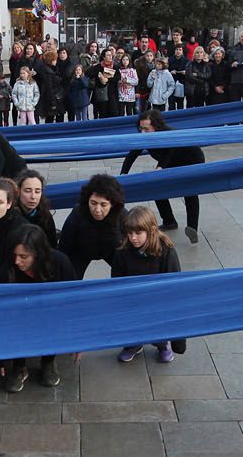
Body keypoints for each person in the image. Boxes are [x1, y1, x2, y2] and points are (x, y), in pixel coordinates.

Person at [2, 224, 75, 392]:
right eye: (15, 255)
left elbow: (73, 298)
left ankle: (48, 361)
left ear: (37, 254)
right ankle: (19, 366)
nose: (17, 261)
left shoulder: (60, 263)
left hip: (51, 315)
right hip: (20, 316)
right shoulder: (8, 269)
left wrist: (77, 336)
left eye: (23, 256)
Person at [110, 206, 182, 364]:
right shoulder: (123, 252)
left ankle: (163, 344)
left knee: (159, 318)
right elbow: (117, 280)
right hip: (133, 297)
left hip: (158, 297)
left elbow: (174, 282)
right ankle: (133, 344)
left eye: (138, 233)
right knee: (130, 317)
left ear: (152, 230)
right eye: (129, 233)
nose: (133, 238)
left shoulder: (166, 251)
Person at [120, 108, 203, 242]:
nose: (143, 132)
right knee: (156, 186)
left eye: (147, 128)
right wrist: (123, 174)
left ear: (157, 127)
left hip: (191, 158)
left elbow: (171, 151)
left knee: (189, 191)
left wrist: (161, 167)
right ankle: (169, 221)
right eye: (141, 128)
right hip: (171, 160)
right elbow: (132, 154)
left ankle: (192, 227)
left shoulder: (168, 134)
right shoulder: (144, 136)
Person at [59, 173, 125, 278]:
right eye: (93, 203)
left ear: (112, 204)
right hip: (80, 251)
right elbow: (63, 248)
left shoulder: (121, 214)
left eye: (103, 204)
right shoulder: (78, 213)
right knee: (68, 279)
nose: (97, 210)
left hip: (111, 250)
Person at [14, 168, 57, 246]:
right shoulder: (10, 216)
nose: (33, 196)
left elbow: (52, 246)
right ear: (18, 191)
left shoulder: (45, 216)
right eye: (27, 191)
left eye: (37, 191)